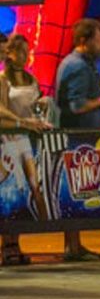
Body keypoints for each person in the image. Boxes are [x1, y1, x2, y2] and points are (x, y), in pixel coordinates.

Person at [55, 18, 100, 261]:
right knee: (76, 191)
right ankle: (73, 247)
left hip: (85, 138)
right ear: (84, 41)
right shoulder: (78, 66)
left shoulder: (82, 64)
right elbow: (77, 105)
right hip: (78, 139)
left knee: (78, 190)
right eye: (99, 41)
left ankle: (74, 245)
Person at [0, 34, 51, 265]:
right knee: (11, 189)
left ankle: (19, 240)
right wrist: (23, 122)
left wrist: (39, 110)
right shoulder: (3, 80)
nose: (23, 56)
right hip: (8, 139)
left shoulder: (31, 79)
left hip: (23, 138)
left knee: (29, 187)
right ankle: (9, 245)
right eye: (17, 51)